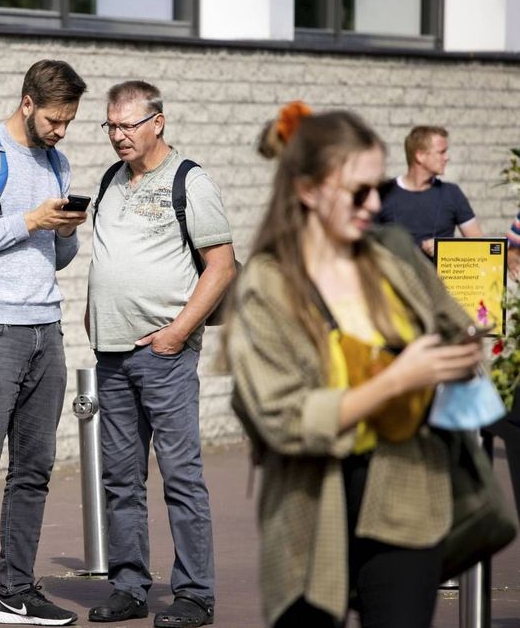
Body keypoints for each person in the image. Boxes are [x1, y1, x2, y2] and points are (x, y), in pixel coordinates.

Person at [225, 105, 484, 628]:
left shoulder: (389, 258)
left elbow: (458, 327)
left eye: (378, 190)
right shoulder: (267, 284)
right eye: (359, 192)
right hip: (310, 501)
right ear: (308, 190)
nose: (374, 205)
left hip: (406, 492)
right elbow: (282, 417)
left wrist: (466, 353)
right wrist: (398, 379)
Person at [0, 59, 88, 628]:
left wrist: (66, 233)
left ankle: (16, 592)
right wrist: (31, 219)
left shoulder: (58, 161)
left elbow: (56, 257)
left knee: (35, 468)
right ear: (27, 103)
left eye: (70, 122)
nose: (60, 131)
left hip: (45, 328)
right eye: (54, 119)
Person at [84, 80, 235, 628]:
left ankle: (195, 593)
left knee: (181, 475)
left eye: (128, 125)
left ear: (158, 122)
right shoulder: (110, 179)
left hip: (164, 355)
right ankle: (129, 586)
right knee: (120, 478)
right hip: (111, 355)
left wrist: (178, 332)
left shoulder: (189, 181)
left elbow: (222, 266)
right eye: (111, 126)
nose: (118, 136)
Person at [375, 125, 482, 259]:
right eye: (441, 152)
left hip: (440, 279)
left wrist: (446, 248)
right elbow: (365, 245)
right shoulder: (383, 192)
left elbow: (481, 247)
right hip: (395, 278)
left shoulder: (452, 194)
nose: (447, 158)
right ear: (420, 156)